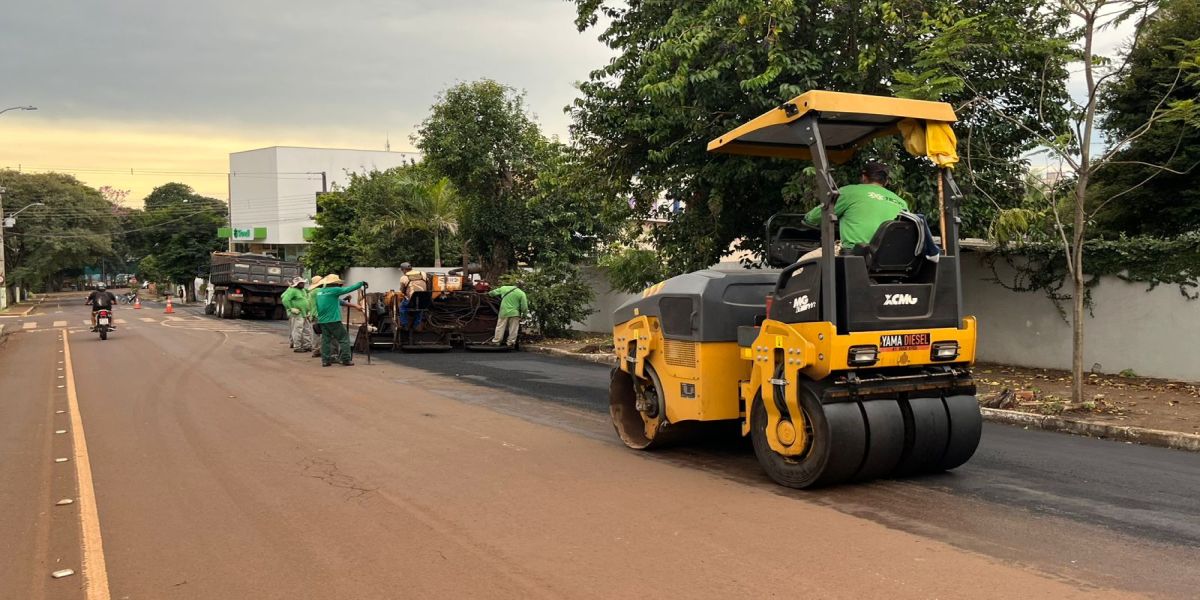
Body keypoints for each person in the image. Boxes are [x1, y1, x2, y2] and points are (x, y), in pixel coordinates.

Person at [800, 161, 909, 261]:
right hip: (891, 257)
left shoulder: (849, 192)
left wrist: (807, 218)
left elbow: (814, 217)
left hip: (855, 254)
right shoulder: (901, 202)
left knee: (802, 264)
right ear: (885, 181)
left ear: (864, 177)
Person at [315, 274, 367, 366]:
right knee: (343, 338)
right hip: (333, 320)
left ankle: (325, 360)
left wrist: (354, 305)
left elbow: (338, 301)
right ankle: (346, 359)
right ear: (334, 283)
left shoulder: (319, 292)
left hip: (322, 320)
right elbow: (348, 289)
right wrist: (360, 283)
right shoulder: (334, 290)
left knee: (326, 340)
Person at [281, 276, 313, 353]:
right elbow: (285, 299)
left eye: (303, 282)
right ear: (297, 284)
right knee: (298, 330)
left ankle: (307, 345)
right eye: (301, 283)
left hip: (304, 313)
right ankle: (297, 346)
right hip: (297, 314)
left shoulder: (303, 290)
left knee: (307, 330)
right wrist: (291, 308)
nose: (303, 284)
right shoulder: (293, 291)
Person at [397, 262, 428, 328]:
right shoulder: (423, 274)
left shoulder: (404, 277)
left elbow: (401, 291)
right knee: (419, 308)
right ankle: (417, 324)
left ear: (404, 270)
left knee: (402, 307)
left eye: (402, 270)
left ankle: (405, 324)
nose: (402, 272)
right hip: (424, 299)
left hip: (411, 300)